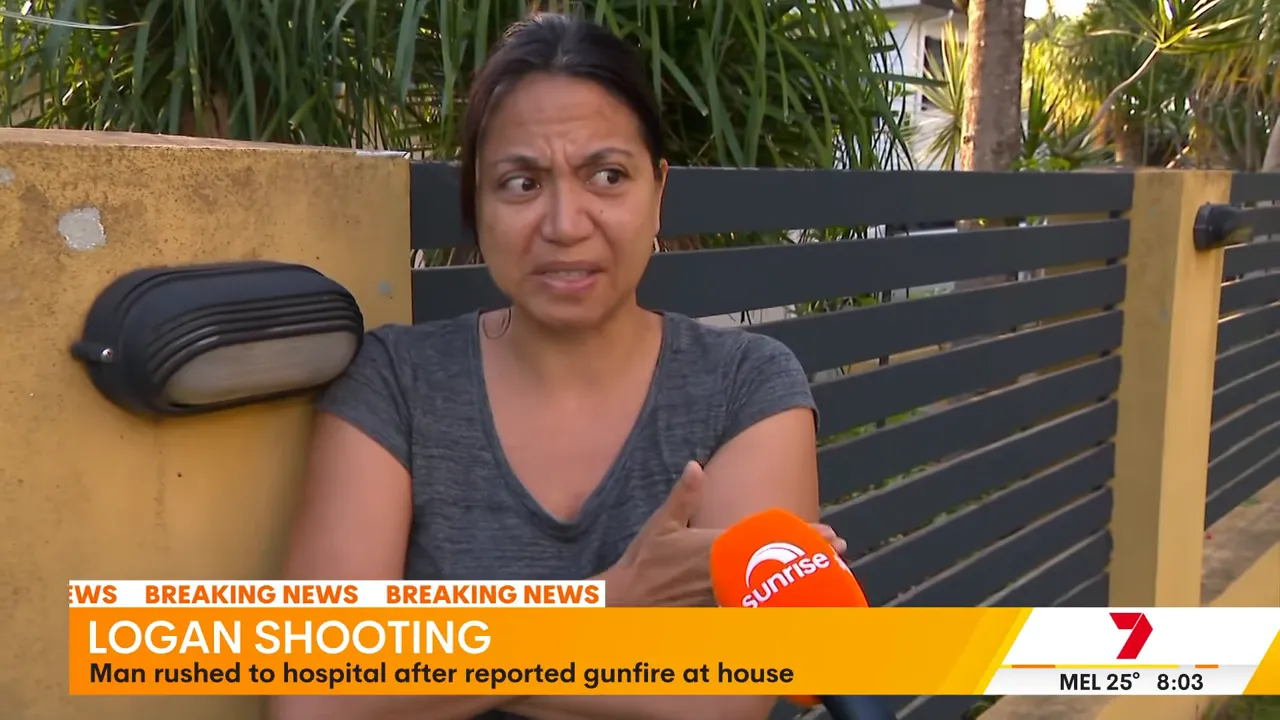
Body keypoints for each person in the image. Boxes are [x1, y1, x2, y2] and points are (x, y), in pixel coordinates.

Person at [272, 11, 842, 720]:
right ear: (476, 204)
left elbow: (724, 699)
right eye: (521, 183)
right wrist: (609, 601)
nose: (566, 223)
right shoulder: (397, 382)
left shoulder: (745, 384)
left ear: (658, 193)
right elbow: (314, 699)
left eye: (607, 175)